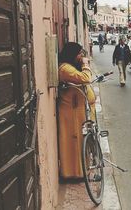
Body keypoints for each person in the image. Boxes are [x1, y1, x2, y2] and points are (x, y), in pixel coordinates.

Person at [57, 42, 96, 179]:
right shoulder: (65, 69)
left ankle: (81, 171)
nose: (81, 56)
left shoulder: (70, 67)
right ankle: (73, 173)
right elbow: (85, 78)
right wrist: (85, 65)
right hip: (70, 111)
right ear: (72, 54)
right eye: (79, 54)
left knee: (79, 141)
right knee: (73, 142)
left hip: (76, 110)